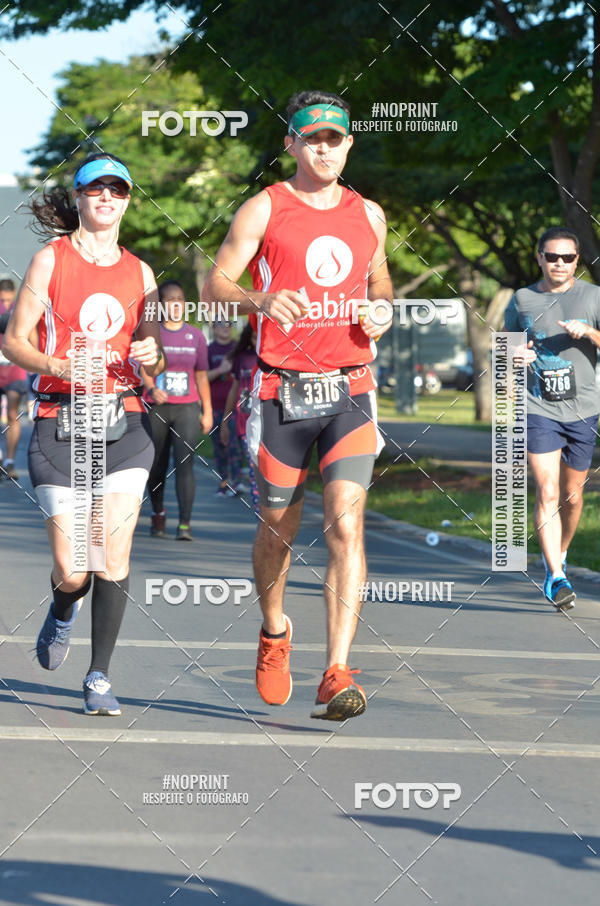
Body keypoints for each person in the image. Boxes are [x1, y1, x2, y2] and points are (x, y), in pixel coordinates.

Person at [202, 89, 393, 720]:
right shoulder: (265, 208)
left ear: (349, 144)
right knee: (278, 526)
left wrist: (381, 307)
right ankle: (275, 629)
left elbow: (380, 277)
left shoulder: (369, 215)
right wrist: (259, 301)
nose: (324, 148)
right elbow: (215, 285)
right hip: (281, 390)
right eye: (312, 138)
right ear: (291, 145)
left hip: (351, 386)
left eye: (335, 138)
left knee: (346, 521)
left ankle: (337, 672)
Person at [3, 152, 165, 715]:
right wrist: (58, 365)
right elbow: (13, 341)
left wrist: (152, 353)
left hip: (123, 424)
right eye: (96, 189)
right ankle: (63, 607)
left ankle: (98, 675)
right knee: (74, 568)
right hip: (58, 422)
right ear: (77, 197)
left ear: (127, 201)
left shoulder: (141, 272)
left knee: (112, 556)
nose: (107, 198)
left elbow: (152, 356)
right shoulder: (51, 260)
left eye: (118, 190)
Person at [505, 226, 600, 610]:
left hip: (584, 408)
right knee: (546, 491)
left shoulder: (593, 296)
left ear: (577, 260)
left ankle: (558, 555)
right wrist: (515, 356)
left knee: (572, 497)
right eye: (552, 256)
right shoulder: (523, 299)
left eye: (568, 257)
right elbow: (507, 345)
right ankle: (556, 576)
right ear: (539, 257)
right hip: (538, 407)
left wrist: (590, 332)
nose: (559, 263)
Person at [142, 279, 212, 540]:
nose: (175, 305)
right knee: (157, 465)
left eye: (180, 300)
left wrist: (208, 411)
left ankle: (185, 524)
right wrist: (151, 389)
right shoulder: (153, 334)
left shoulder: (196, 336)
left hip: (186, 409)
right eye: (170, 300)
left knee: (185, 465)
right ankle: (158, 513)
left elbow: (202, 375)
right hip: (159, 408)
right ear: (161, 305)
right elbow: (143, 369)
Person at [220, 320, 259, 514]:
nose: (258, 340)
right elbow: (234, 390)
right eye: (254, 336)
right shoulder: (242, 358)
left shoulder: (273, 357)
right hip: (245, 422)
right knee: (252, 465)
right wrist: (225, 422)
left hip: (269, 421)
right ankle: (259, 508)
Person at [207, 318, 240, 496]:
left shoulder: (237, 348)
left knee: (233, 445)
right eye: (221, 324)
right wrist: (220, 369)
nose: (225, 328)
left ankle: (236, 481)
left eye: (229, 324)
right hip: (214, 407)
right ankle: (223, 481)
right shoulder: (209, 350)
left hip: (236, 407)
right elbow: (200, 377)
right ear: (214, 328)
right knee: (219, 446)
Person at [0, 278, 29, 480]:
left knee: (12, 414)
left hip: (14, 369)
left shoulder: (22, 307)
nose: (6, 303)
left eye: (9, 299)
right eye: (3, 300)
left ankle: (9, 462)